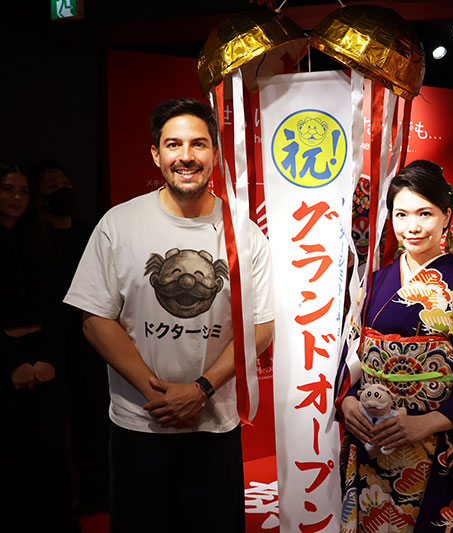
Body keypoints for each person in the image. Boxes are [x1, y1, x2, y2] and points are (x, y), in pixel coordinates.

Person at [64, 97, 275, 533]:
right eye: (173, 144)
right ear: (156, 154)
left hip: (214, 426)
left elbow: (261, 326)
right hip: (139, 423)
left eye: (198, 144)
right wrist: (158, 395)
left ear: (214, 153)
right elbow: (96, 319)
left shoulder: (245, 233)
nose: (186, 156)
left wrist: (200, 390)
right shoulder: (119, 224)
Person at [338, 160, 453, 532]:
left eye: (425, 213)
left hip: (435, 448)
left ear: (447, 217)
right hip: (373, 443)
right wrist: (348, 401)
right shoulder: (371, 285)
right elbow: (349, 357)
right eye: (401, 214)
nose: (411, 227)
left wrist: (424, 423)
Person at [1, 162, 80, 532]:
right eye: (8, 189)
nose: (17, 197)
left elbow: (61, 306)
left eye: (23, 191)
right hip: (6, 359)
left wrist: (47, 358)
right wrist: (12, 364)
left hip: (44, 357)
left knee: (50, 451)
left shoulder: (40, 240)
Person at [30, 158, 110, 515]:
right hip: (47, 346)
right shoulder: (33, 239)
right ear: (39, 197)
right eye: (52, 186)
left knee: (93, 420)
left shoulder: (89, 233)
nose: (63, 190)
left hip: (90, 343)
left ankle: (99, 492)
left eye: (66, 184)